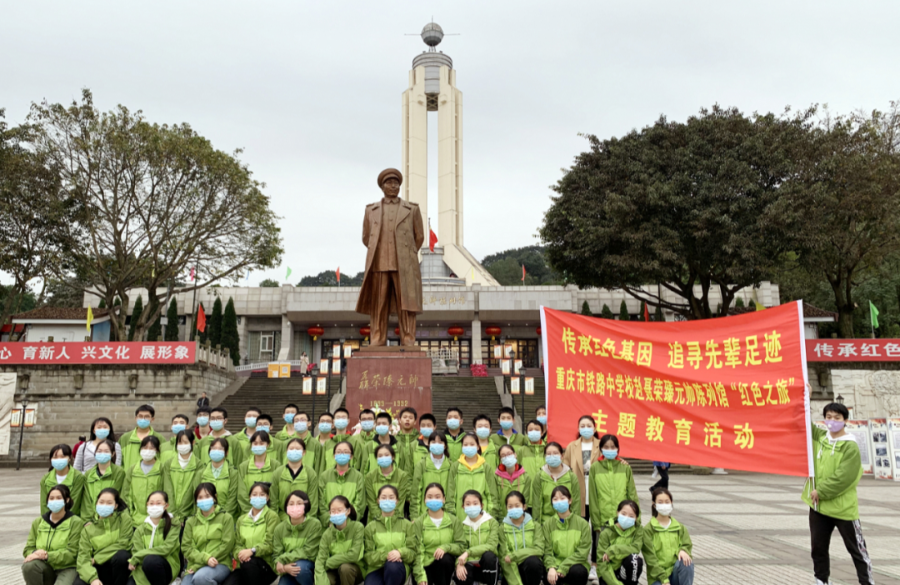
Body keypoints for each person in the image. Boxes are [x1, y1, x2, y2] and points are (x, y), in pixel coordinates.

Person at [802, 401, 873, 585]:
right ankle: (821, 580)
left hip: (843, 509)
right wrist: (805, 398)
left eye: (837, 418)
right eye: (828, 417)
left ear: (845, 420)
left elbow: (845, 477)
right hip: (819, 506)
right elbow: (804, 423)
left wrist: (822, 491)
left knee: (857, 550)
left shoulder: (850, 446)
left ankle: (867, 582)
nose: (832, 421)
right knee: (818, 548)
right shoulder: (821, 438)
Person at [588, 434, 638, 571]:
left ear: (618, 448)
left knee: (622, 550)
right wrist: (596, 522)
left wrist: (635, 517)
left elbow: (631, 493)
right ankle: (602, 575)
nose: (610, 449)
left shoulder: (625, 467)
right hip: (603, 519)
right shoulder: (595, 468)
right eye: (606, 447)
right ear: (601, 449)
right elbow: (593, 496)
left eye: (613, 447)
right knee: (602, 551)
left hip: (623, 518)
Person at [563, 416, 601, 580]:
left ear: (594, 427)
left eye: (589, 425)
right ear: (578, 428)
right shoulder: (572, 446)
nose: (586, 428)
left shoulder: (600, 445)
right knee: (579, 531)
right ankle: (579, 562)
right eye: (582, 425)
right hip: (578, 493)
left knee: (597, 531)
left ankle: (595, 565)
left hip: (597, 494)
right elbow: (564, 467)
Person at [23, 484, 83, 585]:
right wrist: (36, 552)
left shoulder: (76, 522)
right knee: (29, 566)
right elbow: (28, 549)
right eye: (51, 498)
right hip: (46, 566)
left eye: (59, 498)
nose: (54, 501)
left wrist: (47, 555)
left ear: (67, 500)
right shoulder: (38, 522)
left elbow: (73, 553)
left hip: (67, 567)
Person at [223, 482, 280, 585]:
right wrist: (240, 554)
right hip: (244, 563)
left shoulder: (272, 517)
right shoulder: (241, 519)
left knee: (250, 565)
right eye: (254, 494)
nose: (258, 497)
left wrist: (252, 551)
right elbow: (237, 545)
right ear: (249, 497)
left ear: (267, 498)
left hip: (266, 565)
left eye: (262, 494)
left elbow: (270, 544)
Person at [73, 488, 132, 585]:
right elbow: (83, 558)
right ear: (96, 504)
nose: (104, 505)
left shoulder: (123, 519)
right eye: (101, 502)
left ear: (116, 506)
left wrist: (97, 558)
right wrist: (93, 579)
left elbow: (124, 543)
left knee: (122, 555)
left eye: (109, 503)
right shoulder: (87, 529)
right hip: (98, 569)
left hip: (118, 569)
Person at [410, 483, 465, 585]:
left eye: (437, 497)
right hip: (424, 564)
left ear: (444, 499)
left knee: (445, 559)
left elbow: (461, 546)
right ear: (424, 500)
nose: (433, 500)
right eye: (429, 497)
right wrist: (420, 575)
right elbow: (417, 551)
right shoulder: (418, 522)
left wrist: (445, 547)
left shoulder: (454, 521)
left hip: (443, 566)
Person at [182, 483, 235, 585]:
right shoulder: (190, 521)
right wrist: (205, 559)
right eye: (200, 497)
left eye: (207, 496)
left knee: (201, 578)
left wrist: (208, 560)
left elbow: (227, 545)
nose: (204, 500)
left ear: (215, 498)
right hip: (195, 565)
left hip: (219, 563)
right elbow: (187, 547)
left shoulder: (226, 518)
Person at [364, 485, 415, 585]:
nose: (387, 500)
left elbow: (413, 552)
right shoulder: (370, 527)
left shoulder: (407, 525)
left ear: (397, 501)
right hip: (376, 568)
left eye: (391, 497)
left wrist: (400, 552)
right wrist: (387, 555)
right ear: (378, 500)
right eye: (383, 497)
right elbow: (367, 556)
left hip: (397, 567)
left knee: (392, 566)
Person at [128, 491, 181, 585]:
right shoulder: (140, 530)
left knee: (150, 561)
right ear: (147, 505)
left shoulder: (174, 525)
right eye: (151, 503)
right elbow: (137, 551)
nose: (154, 506)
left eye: (158, 503)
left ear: (166, 505)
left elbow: (166, 549)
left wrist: (137, 556)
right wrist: (137, 557)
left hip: (166, 566)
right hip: (142, 568)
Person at [642, 488, 693, 585]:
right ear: (654, 504)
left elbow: (687, 544)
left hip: (675, 573)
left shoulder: (680, 528)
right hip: (657, 577)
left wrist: (683, 550)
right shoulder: (648, 530)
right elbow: (651, 560)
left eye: (667, 502)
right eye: (660, 502)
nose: (664, 505)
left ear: (671, 503)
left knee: (687, 562)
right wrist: (664, 580)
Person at [542, 486, 590, 585]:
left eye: (562, 498)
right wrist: (551, 567)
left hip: (575, 565)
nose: (559, 501)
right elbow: (547, 551)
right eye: (555, 499)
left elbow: (582, 552)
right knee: (546, 573)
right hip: (555, 566)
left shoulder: (582, 524)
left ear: (570, 501)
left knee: (578, 571)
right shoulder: (547, 525)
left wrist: (564, 567)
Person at [273, 490, 323, 585]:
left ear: (306, 505)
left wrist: (283, 559)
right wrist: (284, 568)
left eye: (299, 503)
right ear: (286, 507)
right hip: (287, 568)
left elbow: (309, 551)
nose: (295, 507)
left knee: (300, 568)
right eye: (291, 504)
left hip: (308, 565)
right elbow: (276, 555)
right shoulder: (279, 528)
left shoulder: (314, 524)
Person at [315, 495, 365, 585]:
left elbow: (353, 555)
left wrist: (330, 562)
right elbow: (320, 561)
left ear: (348, 511)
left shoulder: (357, 527)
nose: (336, 514)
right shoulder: (327, 534)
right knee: (324, 580)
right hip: (333, 570)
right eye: (333, 511)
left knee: (345, 568)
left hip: (353, 568)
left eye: (339, 510)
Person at [447, 432, 498, 517]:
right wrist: (452, 515)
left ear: (478, 446)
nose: (469, 447)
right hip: (461, 515)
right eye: (465, 445)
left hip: (482, 515)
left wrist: (490, 515)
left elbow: (492, 495)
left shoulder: (485, 467)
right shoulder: (455, 466)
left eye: (472, 444)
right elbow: (451, 493)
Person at [498, 490, 544, 585]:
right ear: (506, 508)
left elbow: (539, 549)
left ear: (524, 506)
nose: (514, 509)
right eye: (510, 506)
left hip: (529, 569)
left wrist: (515, 556)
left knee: (533, 562)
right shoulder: (502, 528)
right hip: (511, 570)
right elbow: (504, 557)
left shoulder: (535, 525)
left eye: (517, 505)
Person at [455, 490, 500, 585]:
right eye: (468, 504)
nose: (472, 506)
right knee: (461, 574)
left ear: (481, 505)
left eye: (475, 503)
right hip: (470, 564)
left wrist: (468, 552)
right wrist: (458, 564)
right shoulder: (462, 526)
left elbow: (491, 546)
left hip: (486, 565)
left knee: (489, 556)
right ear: (463, 507)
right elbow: (459, 548)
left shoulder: (492, 522)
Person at [271, 437, 320, 523]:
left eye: (297, 449)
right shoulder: (278, 473)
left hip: (305, 520)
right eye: (291, 449)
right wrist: (277, 520)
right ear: (286, 451)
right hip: (282, 519)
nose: (294, 451)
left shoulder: (310, 473)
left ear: (304, 452)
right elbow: (273, 500)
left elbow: (313, 502)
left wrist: (306, 520)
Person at [595, 500, 643, 585]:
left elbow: (636, 548)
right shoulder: (606, 532)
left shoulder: (638, 530)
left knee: (635, 560)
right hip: (608, 572)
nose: (627, 518)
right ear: (617, 513)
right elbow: (602, 563)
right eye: (623, 514)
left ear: (636, 518)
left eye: (631, 516)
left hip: (624, 569)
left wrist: (614, 549)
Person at [317, 441, 366, 524]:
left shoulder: (358, 477)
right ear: (334, 455)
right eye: (338, 452)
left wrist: (348, 521)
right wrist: (329, 520)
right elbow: (321, 502)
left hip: (350, 525)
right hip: (329, 526)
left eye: (346, 452)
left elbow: (360, 503)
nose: (342, 454)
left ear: (351, 456)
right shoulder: (324, 476)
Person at [532, 442, 581, 524]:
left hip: (567, 522)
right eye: (548, 454)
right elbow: (537, 503)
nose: (552, 456)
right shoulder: (539, 476)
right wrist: (537, 524)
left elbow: (576, 503)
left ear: (562, 456)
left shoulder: (571, 477)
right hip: (546, 522)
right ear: (545, 457)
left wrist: (575, 524)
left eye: (555, 453)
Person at [122, 435, 165, 527]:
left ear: (157, 450)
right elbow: (126, 493)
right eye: (145, 447)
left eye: (151, 448)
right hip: (135, 519)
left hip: (157, 519)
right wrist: (129, 514)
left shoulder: (162, 469)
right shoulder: (133, 469)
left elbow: (165, 492)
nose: (148, 450)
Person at [237, 430, 281, 515]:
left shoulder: (276, 465)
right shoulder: (243, 467)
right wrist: (251, 512)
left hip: (270, 514)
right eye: (255, 443)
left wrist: (271, 513)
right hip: (247, 514)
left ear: (268, 444)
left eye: (261, 443)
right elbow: (241, 494)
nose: (258, 446)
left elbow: (276, 492)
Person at [196, 437, 240, 519]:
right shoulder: (200, 473)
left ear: (226, 452)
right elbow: (196, 496)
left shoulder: (233, 473)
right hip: (204, 517)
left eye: (220, 448)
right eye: (213, 448)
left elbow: (232, 498)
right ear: (209, 452)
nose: (216, 451)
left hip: (226, 518)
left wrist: (223, 517)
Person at [162, 430, 200, 524]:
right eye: (180, 442)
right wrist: (173, 513)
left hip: (189, 515)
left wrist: (183, 515)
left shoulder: (199, 464)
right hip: (170, 514)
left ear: (193, 443)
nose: (182, 445)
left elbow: (193, 489)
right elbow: (168, 489)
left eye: (186, 442)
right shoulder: (169, 463)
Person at [81, 439, 125, 520]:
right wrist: (87, 520)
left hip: (112, 518)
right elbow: (86, 500)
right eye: (99, 451)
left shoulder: (119, 472)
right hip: (92, 520)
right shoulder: (88, 474)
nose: (102, 454)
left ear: (113, 454)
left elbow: (117, 496)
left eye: (106, 451)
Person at [365, 444, 411, 521]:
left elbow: (400, 500)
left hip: (397, 520)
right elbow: (371, 501)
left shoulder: (402, 476)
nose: (383, 458)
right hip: (375, 520)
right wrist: (379, 518)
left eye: (386, 455)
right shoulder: (370, 476)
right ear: (376, 458)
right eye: (380, 456)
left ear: (392, 457)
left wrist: (393, 518)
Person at [411, 433, 451, 518]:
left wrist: (451, 515)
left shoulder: (451, 466)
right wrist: (415, 517)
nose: (437, 445)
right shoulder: (421, 465)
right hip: (424, 514)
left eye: (440, 442)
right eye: (433, 442)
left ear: (445, 446)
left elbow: (453, 493)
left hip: (446, 515)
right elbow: (415, 493)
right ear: (428, 445)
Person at [40, 444, 85, 517]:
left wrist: (62, 520)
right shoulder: (45, 479)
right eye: (55, 457)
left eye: (63, 457)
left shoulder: (78, 477)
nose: (59, 459)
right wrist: (47, 520)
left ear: (70, 458)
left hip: (71, 519)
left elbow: (75, 502)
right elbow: (44, 504)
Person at [493, 444, 532, 519]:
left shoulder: (525, 476)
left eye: (509, 454)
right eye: (503, 455)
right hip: (502, 518)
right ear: (500, 459)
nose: (507, 457)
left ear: (515, 454)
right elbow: (495, 500)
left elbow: (525, 499)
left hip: (520, 517)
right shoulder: (496, 477)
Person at [118, 405, 158, 472]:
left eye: (147, 416)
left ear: (152, 419)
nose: (143, 419)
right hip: (128, 479)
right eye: (140, 416)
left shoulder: (158, 438)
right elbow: (118, 460)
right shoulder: (125, 438)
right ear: (136, 418)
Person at [395, 407, 420, 475]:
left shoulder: (420, 440)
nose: (407, 420)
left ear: (415, 421)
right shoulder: (394, 440)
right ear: (400, 420)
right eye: (405, 417)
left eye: (411, 418)